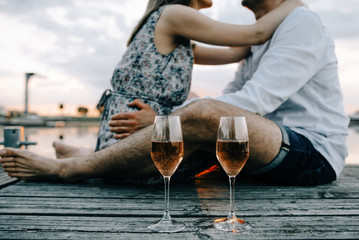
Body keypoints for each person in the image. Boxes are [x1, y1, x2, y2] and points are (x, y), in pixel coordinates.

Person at [0, 0, 349, 186]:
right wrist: (170, 119)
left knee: (202, 117)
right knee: (196, 125)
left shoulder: (301, 22)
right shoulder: (262, 39)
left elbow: (254, 102)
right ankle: (93, 155)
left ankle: (72, 168)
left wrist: (167, 118)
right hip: (263, 148)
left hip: (311, 152)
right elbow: (232, 93)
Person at [94, 0, 302, 151]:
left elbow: (235, 53)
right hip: (134, 140)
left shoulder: (176, 38)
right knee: (234, 149)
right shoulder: (175, 14)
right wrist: (292, 4)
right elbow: (257, 34)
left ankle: (80, 153)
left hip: (127, 138)